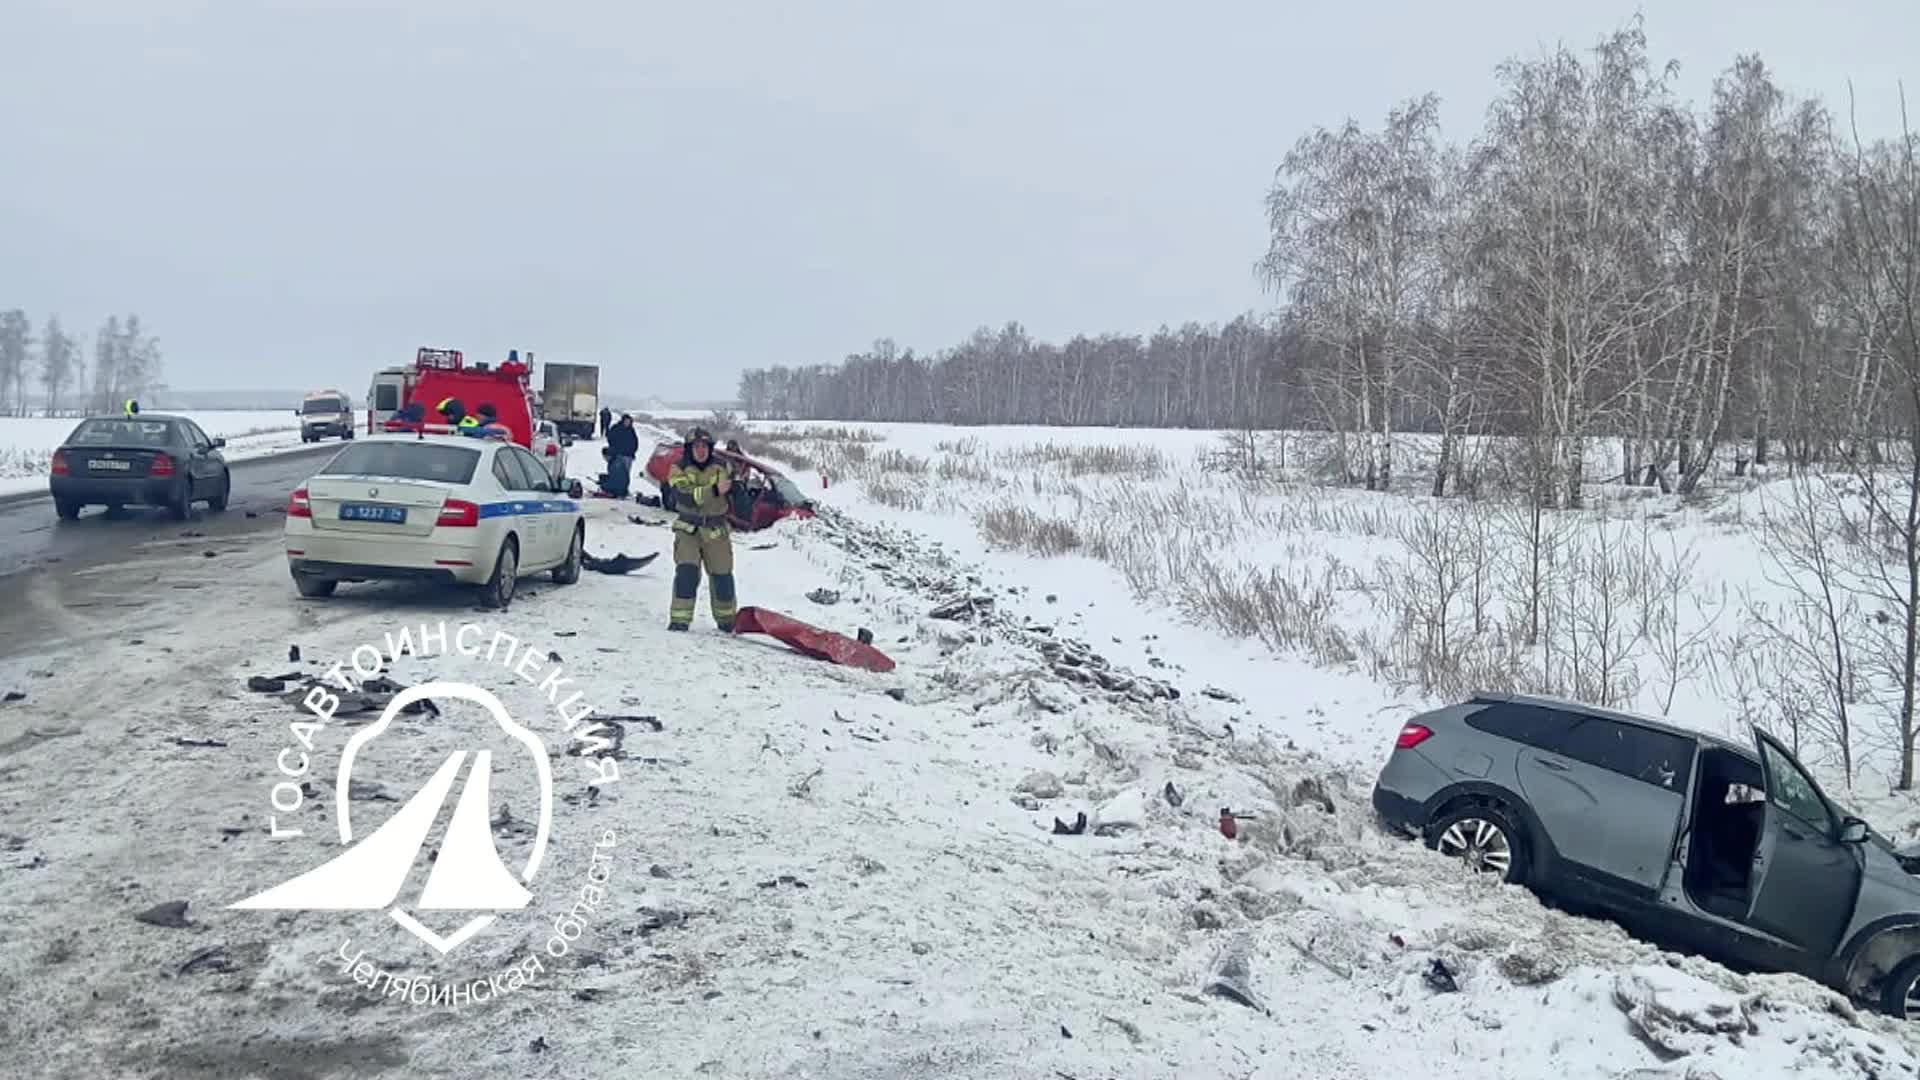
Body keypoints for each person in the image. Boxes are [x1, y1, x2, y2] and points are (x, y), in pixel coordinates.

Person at [666, 426, 736, 632]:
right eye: (696, 446)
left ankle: (727, 620)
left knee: (723, 576)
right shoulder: (678, 468)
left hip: (717, 529)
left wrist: (740, 494)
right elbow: (685, 496)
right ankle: (680, 619)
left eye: (704, 446)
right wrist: (715, 490)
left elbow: (735, 492)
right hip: (688, 529)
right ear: (689, 449)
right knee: (686, 573)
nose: (701, 450)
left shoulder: (724, 467)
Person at [604, 413, 639, 497]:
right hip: (618, 455)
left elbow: (635, 442)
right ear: (622, 420)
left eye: (629, 421)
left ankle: (624, 490)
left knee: (626, 474)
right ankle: (615, 489)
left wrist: (633, 451)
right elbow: (609, 437)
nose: (627, 423)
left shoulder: (631, 430)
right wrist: (614, 449)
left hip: (628, 456)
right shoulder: (616, 428)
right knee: (617, 473)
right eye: (626, 421)